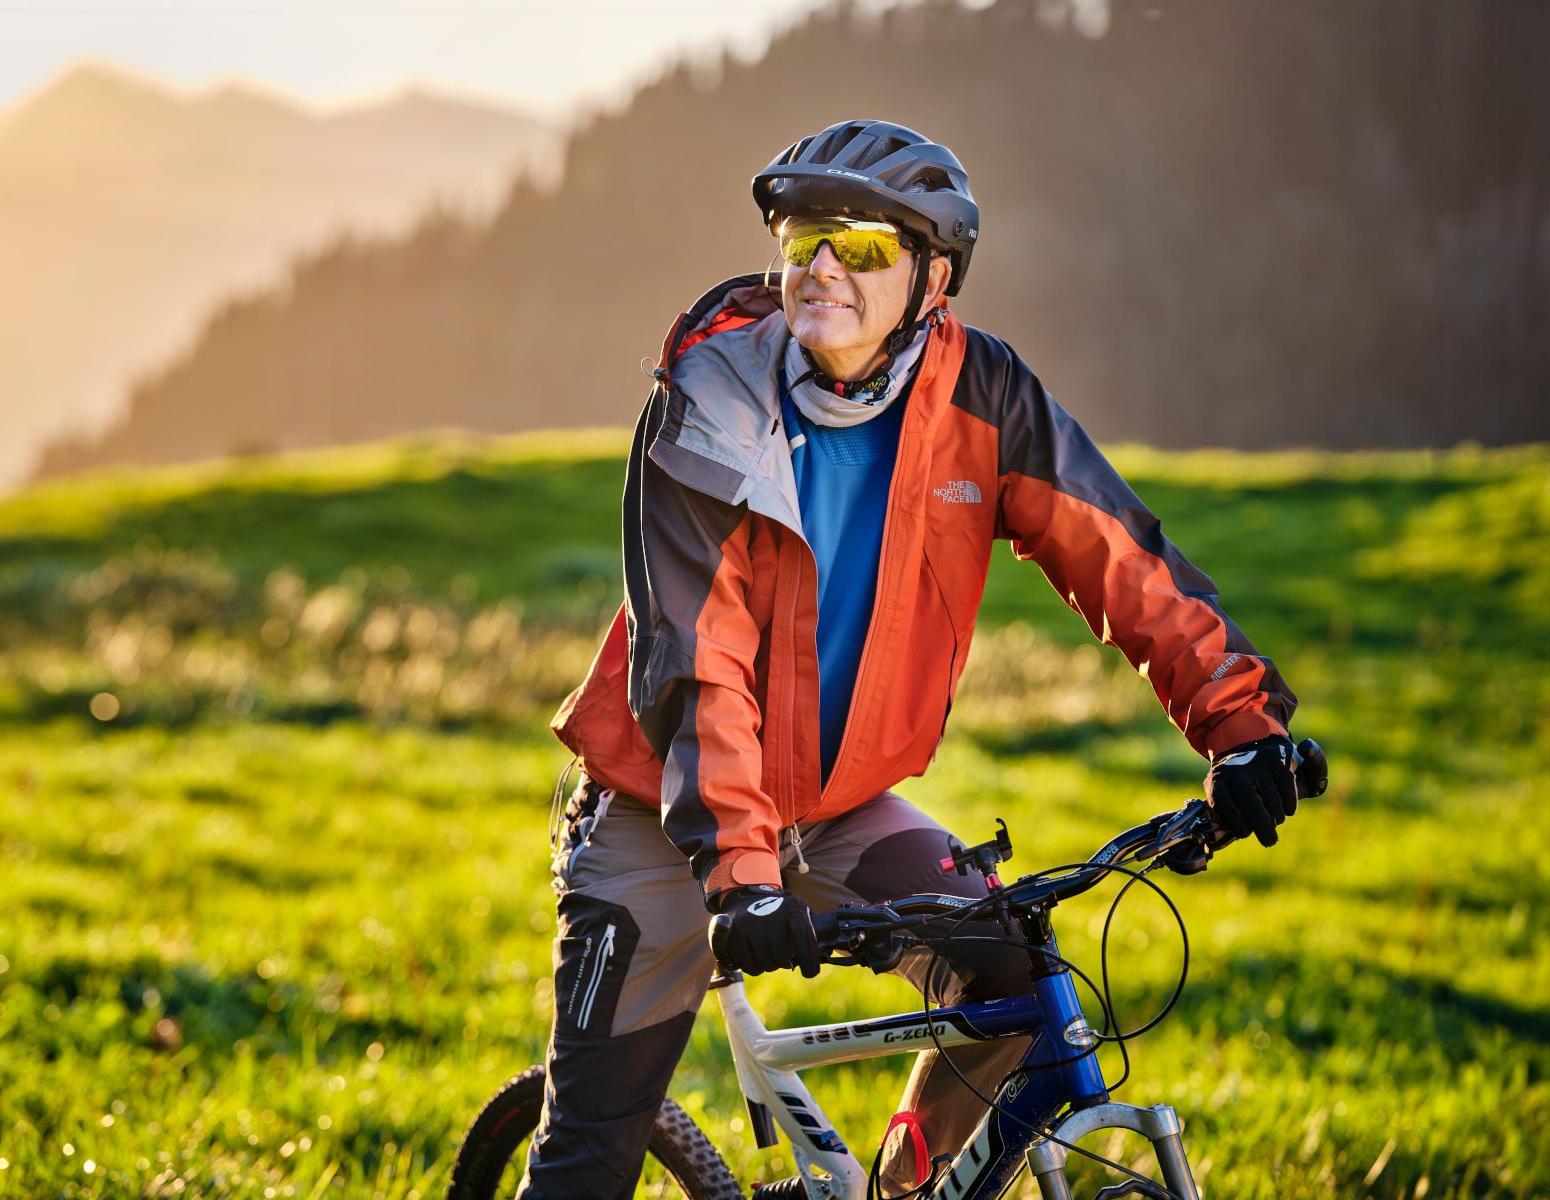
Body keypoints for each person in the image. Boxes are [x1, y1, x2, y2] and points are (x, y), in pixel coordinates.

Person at [519, 119, 1301, 1199]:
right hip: (665, 809)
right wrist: (743, 883)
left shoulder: (984, 397)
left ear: (934, 279)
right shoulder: (710, 405)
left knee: (1008, 981)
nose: (822, 268)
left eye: (864, 246)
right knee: (590, 1148)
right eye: (803, 242)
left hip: (839, 804)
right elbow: (693, 663)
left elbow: (1119, 557)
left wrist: (1242, 727)